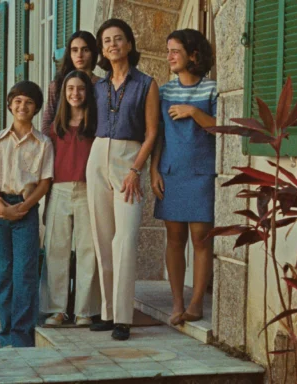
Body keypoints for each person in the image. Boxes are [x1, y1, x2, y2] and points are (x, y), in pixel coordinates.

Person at [86, 18, 159, 341]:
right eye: (106, 41)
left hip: (129, 160)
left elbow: (153, 131)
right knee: (103, 239)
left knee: (125, 239)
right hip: (98, 156)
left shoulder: (146, 83)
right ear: (102, 49)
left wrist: (136, 170)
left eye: (118, 38)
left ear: (129, 44)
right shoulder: (97, 87)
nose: (112, 44)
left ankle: (124, 318)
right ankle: (108, 312)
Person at [151, 29, 217, 326]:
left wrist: (193, 111)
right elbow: (157, 135)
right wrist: (153, 170)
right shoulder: (163, 92)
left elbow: (221, 129)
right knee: (174, 239)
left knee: (201, 239)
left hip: (202, 174)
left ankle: (196, 303)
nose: (169, 56)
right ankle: (177, 303)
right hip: (171, 173)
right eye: (168, 50)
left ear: (194, 54)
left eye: (175, 50)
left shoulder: (212, 90)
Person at [0, 81, 54, 347]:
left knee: (24, 273)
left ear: (36, 108)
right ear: (10, 104)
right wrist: (0, 206)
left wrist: (23, 207)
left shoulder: (43, 143)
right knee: (2, 273)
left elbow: (45, 182)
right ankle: (6, 334)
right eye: (18, 101)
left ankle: (22, 335)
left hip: (27, 210)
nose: (23, 106)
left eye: (29, 102)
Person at [40, 70, 101, 327]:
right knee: (57, 249)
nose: (75, 94)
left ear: (88, 93)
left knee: (89, 249)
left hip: (89, 190)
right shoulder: (56, 127)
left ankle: (84, 310)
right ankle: (57, 309)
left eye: (81, 89)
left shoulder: (96, 125)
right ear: (64, 94)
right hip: (60, 189)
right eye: (70, 89)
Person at [42, 30, 100, 136]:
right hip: (61, 143)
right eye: (74, 50)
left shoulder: (101, 85)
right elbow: (48, 119)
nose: (79, 55)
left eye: (85, 50)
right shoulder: (57, 85)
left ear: (93, 53)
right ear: (69, 54)